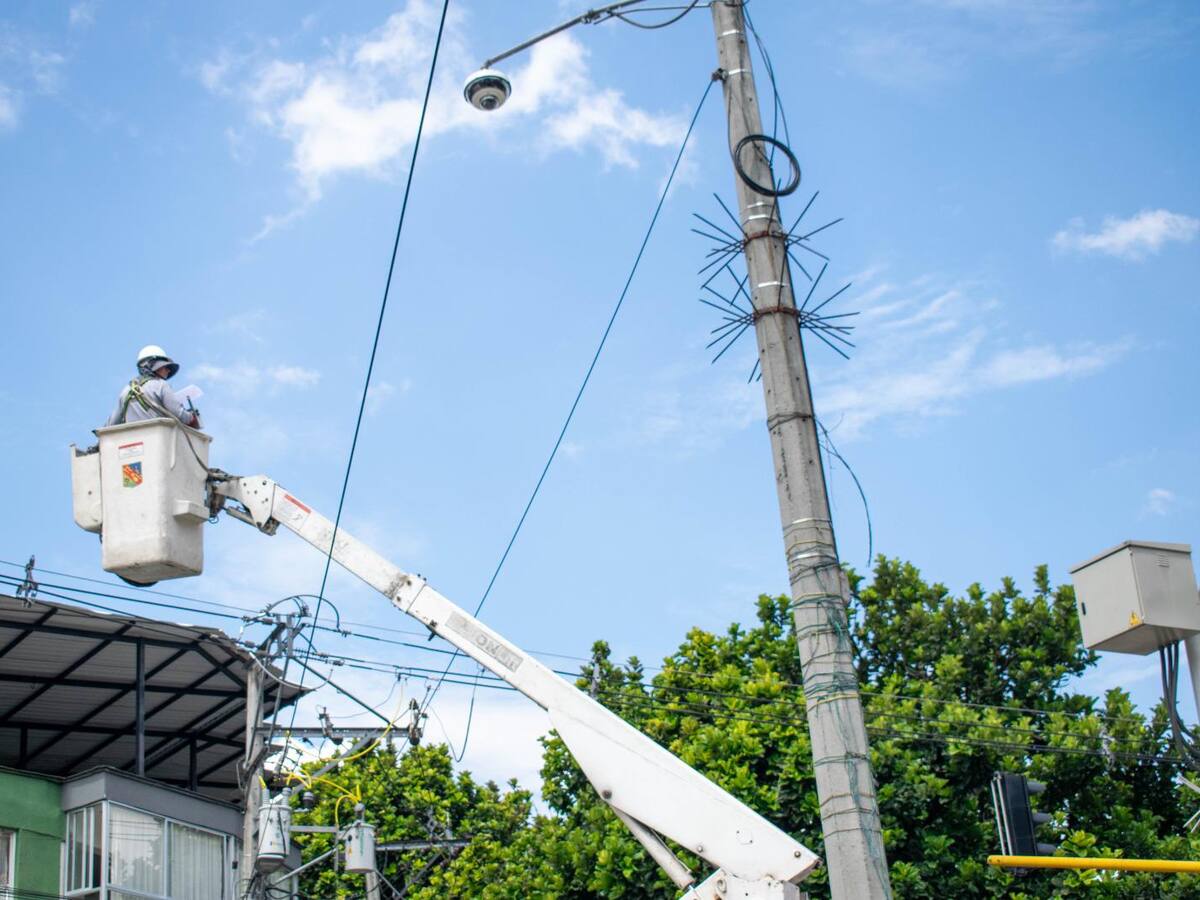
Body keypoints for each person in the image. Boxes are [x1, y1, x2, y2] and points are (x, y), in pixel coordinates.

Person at [105, 344, 202, 428]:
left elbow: (112, 423)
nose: (168, 370)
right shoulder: (160, 385)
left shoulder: (126, 390)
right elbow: (179, 413)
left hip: (131, 444)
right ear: (152, 365)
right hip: (158, 444)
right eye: (165, 367)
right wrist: (192, 417)